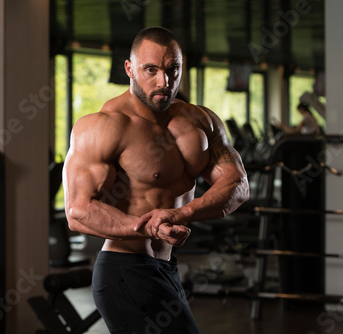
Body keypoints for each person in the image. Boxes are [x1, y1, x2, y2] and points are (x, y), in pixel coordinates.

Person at [62, 26, 249, 334]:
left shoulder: (201, 121)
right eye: (151, 70)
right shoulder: (104, 127)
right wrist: (145, 226)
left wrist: (182, 213)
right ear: (129, 69)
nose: (164, 82)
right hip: (124, 269)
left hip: (165, 267)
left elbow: (238, 186)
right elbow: (78, 211)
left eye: (172, 70)